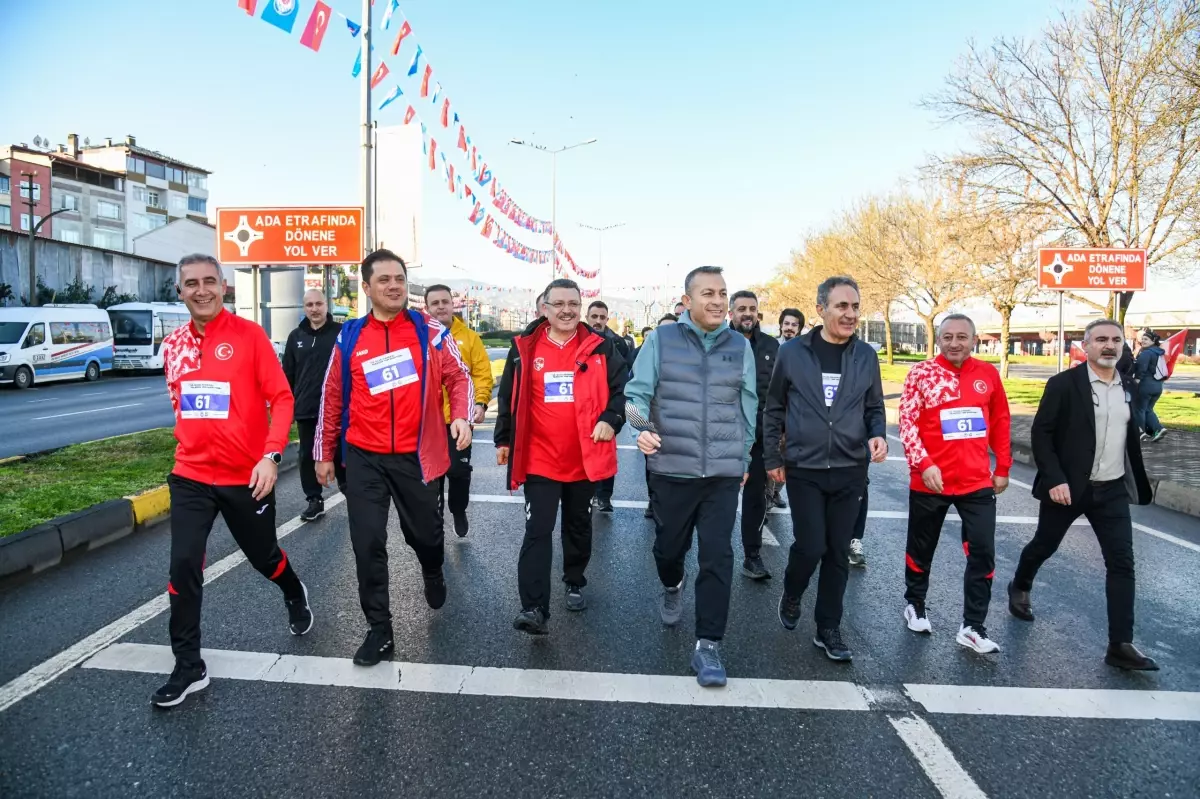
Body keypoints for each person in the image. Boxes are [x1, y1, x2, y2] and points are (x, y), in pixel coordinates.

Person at [153, 254, 311, 708]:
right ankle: (188, 666)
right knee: (184, 564)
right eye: (190, 283)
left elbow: (281, 399)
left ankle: (293, 590)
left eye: (209, 281)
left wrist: (270, 454)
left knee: (265, 558)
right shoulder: (174, 345)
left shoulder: (249, 336)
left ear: (224, 287)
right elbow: (185, 408)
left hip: (247, 475)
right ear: (179, 291)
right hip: (191, 475)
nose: (200, 290)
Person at [315, 249, 473, 667]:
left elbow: (459, 376)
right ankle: (379, 629)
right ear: (366, 288)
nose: (394, 285)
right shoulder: (349, 336)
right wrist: (323, 452)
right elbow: (331, 396)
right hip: (364, 457)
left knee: (424, 535)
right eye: (383, 280)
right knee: (367, 543)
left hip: (415, 456)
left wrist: (460, 416)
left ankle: (432, 568)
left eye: (399, 278)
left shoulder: (430, 331)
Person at [628, 266, 757, 687]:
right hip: (672, 469)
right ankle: (672, 582)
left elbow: (749, 406)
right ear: (687, 301)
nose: (718, 301)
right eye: (708, 293)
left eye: (722, 293)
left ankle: (708, 645)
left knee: (718, 555)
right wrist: (641, 427)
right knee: (669, 550)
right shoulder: (660, 340)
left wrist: (744, 458)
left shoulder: (740, 346)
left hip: (721, 472)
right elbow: (634, 397)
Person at [1008, 319, 1157, 671]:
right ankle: (1021, 582)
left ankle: (1120, 644)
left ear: (1123, 346)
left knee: (1122, 563)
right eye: (1101, 339)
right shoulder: (1064, 384)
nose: (1109, 346)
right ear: (1085, 346)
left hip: (1112, 489)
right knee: (1045, 544)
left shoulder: (1128, 387)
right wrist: (1055, 478)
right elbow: (1042, 434)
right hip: (1068, 489)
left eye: (1116, 340)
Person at [765, 275, 886, 663]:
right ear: (821, 309)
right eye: (841, 306)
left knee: (838, 551)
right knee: (811, 545)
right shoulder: (793, 352)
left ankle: (828, 627)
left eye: (854, 307)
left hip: (851, 468)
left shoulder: (865, 356)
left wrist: (877, 434)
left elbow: (874, 408)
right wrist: (772, 457)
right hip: (805, 466)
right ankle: (793, 591)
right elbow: (775, 409)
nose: (850, 314)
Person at [495, 279, 628, 634]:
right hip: (540, 458)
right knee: (537, 529)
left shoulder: (601, 347)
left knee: (577, 524)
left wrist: (611, 419)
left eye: (573, 303)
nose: (567, 310)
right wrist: (503, 438)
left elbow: (622, 392)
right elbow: (509, 395)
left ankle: (574, 579)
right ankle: (534, 607)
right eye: (559, 304)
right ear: (544, 309)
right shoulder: (525, 347)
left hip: (584, 457)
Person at [898, 314, 1011, 654]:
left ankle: (972, 625)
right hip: (930, 480)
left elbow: (1001, 420)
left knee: (982, 552)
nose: (954, 343)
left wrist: (1003, 466)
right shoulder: (922, 373)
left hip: (976, 482)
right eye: (947, 337)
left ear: (974, 340)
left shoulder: (987, 374)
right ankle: (915, 602)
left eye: (962, 337)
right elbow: (907, 423)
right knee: (922, 548)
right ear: (938, 340)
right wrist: (924, 463)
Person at [423, 284, 494, 537]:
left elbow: (482, 374)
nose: (441, 306)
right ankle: (435, 521)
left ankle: (458, 508)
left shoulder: (470, 338)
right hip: (427, 423)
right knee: (431, 477)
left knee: (458, 470)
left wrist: (480, 402)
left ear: (453, 305)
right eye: (435, 303)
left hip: (459, 420)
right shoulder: (419, 336)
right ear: (427, 307)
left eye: (445, 301)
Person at [729, 289, 780, 581]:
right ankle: (716, 553)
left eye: (752, 308)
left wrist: (781, 432)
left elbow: (781, 394)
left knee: (756, 500)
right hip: (724, 438)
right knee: (718, 499)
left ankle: (752, 555)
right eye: (741, 309)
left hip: (760, 438)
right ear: (731, 313)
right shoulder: (722, 343)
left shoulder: (773, 346)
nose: (747, 313)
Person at [283, 289, 345, 522]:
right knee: (307, 456)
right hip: (307, 409)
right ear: (304, 307)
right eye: (309, 304)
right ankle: (314, 499)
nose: (314, 309)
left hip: (338, 409)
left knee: (341, 453)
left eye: (318, 303)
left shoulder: (341, 333)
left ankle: (350, 492)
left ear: (326, 305)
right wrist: (287, 407)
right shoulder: (296, 337)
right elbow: (287, 374)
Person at [585, 300, 630, 513]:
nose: (598, 321)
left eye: (602, 317)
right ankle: (588, 493)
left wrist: (615, 414)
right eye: (594, 317)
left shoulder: (618, 343)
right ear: (587, 317)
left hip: (608, 408)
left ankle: (604, 497)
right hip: (586, 409)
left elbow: (624, 376)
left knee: (605, 452)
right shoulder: (580, 340)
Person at [766, 309, 805, 511]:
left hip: (795, 415)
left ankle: (775, 491)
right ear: (781, 325)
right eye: (787, 323)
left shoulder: (804, 351)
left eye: (794, 324)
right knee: (772, 458)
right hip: (774, 410)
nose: (789, 328)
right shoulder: (772, 348)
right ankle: (767, 493)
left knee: (789, 461)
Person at [1133, 330, 1167, 442]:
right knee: (1148, 409)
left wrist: (1136, 381)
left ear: (1153, 341)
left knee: (1140, 410)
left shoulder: (1147, 353)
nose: (1143, 341)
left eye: (1146, 339)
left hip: (1145, 386)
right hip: (1157, 386)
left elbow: (1141, 369)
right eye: (1142, 339)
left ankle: (1140, 433)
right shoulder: (1159, 353)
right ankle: (1159, 429)